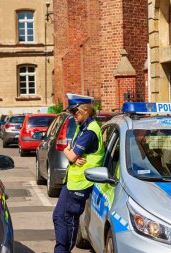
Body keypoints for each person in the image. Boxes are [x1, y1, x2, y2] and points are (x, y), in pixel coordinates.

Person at [53, 93, 105, 253]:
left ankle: (62, 251)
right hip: (73, 181)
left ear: (85, 111)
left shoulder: (90, 131)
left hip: (82, 183)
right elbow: (69, 151)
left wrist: (70, 153)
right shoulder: (82, 127)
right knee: (58, 216)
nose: (73, 116)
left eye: (75, 113)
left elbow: (71, 153)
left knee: (68, 219)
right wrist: (70, 153)